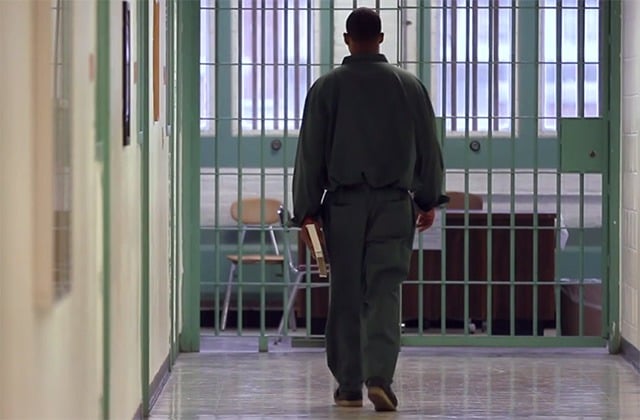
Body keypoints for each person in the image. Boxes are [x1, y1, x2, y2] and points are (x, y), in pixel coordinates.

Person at [291, 7, 445, 412]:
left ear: (347, 38)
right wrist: (428, 199)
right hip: (394, 203)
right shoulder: (409, 87)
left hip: (342, 205)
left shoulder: (326, 88)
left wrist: (306, 210)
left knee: (345, 291)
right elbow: (429, 149)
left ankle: (347, 384)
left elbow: (309, 155)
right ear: (380, 38)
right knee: (383, 290)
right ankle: (379, 377)